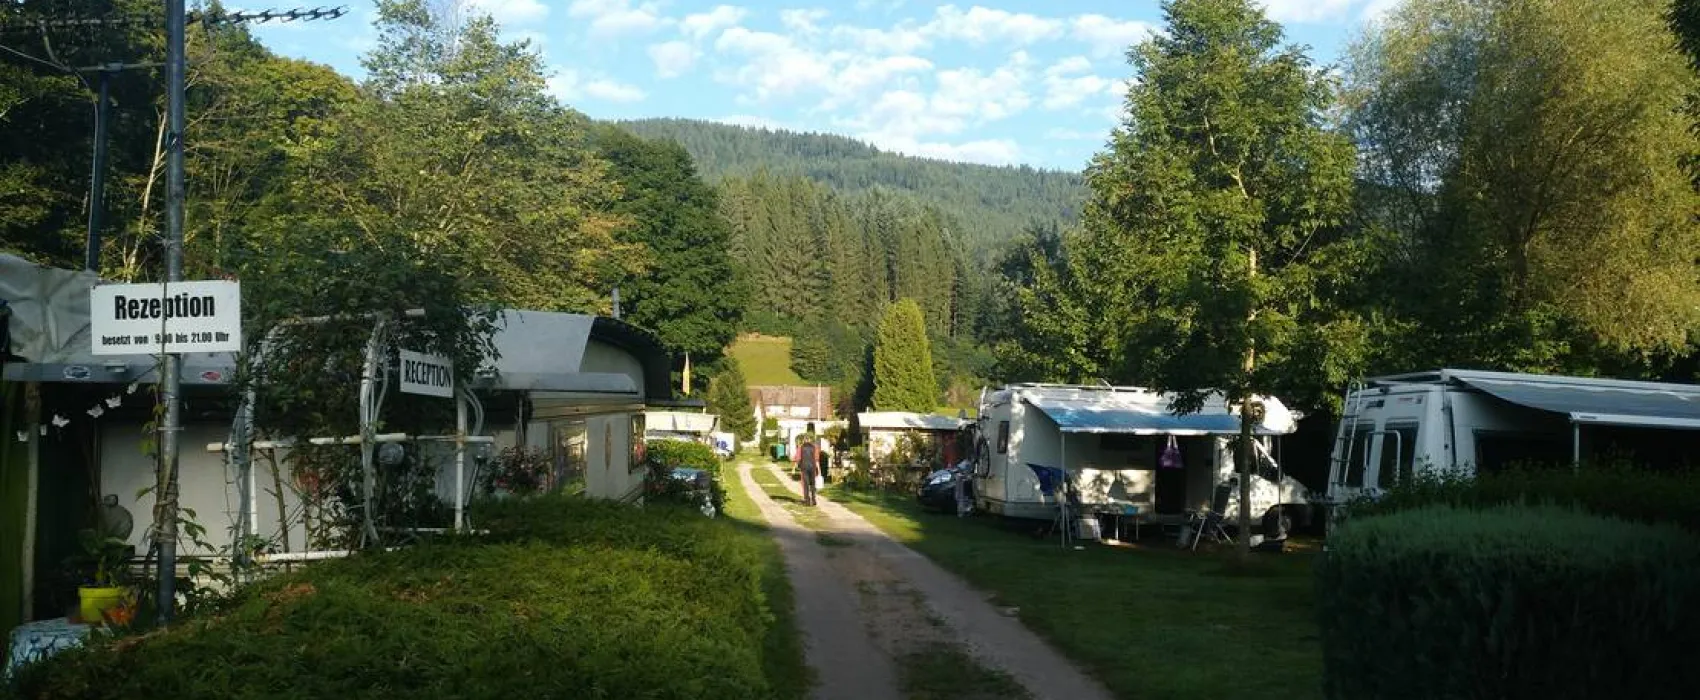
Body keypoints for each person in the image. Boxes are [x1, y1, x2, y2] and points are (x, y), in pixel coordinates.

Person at [796, 422, 821, 506]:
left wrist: (797, 466)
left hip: (804, 467)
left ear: (804, 439)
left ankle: (807, 500)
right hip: (812, 467)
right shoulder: (815, 447)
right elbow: (816, 459)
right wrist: (819, 470)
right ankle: (813, 499)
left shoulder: (801, 447)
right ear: (810, 439)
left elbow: (798, 458)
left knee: (805, 484)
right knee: (813, 483)